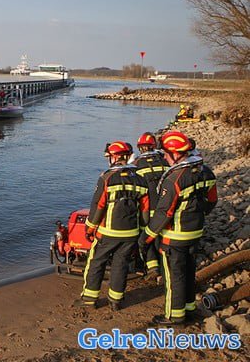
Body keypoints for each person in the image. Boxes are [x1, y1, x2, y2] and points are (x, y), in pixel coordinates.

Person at [141, 130, 217, 325]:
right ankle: (189, 308)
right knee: (189, 271)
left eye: (166, 154)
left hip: (174, 237)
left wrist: (146, 237)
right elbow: (212, 200)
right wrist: (197, 214)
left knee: (174, 277)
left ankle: (174, 315)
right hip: (195, 233)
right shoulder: (206, 171)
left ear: (176, 154)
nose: (165, 158)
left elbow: (164, 213)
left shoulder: (174, 179)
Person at [76, 141, 149, 310]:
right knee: (120, 265)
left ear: (114, 157)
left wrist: (89, 228)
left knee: (96, 263)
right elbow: (145, 210)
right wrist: (142, 231)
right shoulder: (140, 179)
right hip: (130, 233)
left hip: (107, 233)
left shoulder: (107, 178)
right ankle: (115, 301)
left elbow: (98, 206)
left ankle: (89, 299)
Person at [132, 132, 169, 279]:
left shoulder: (137, 165)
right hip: (166, 209)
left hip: (147, 210)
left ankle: (152, 266)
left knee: (145, 238)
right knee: (162, 237)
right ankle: (165, 265)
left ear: (140, 148)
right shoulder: (165, 161)